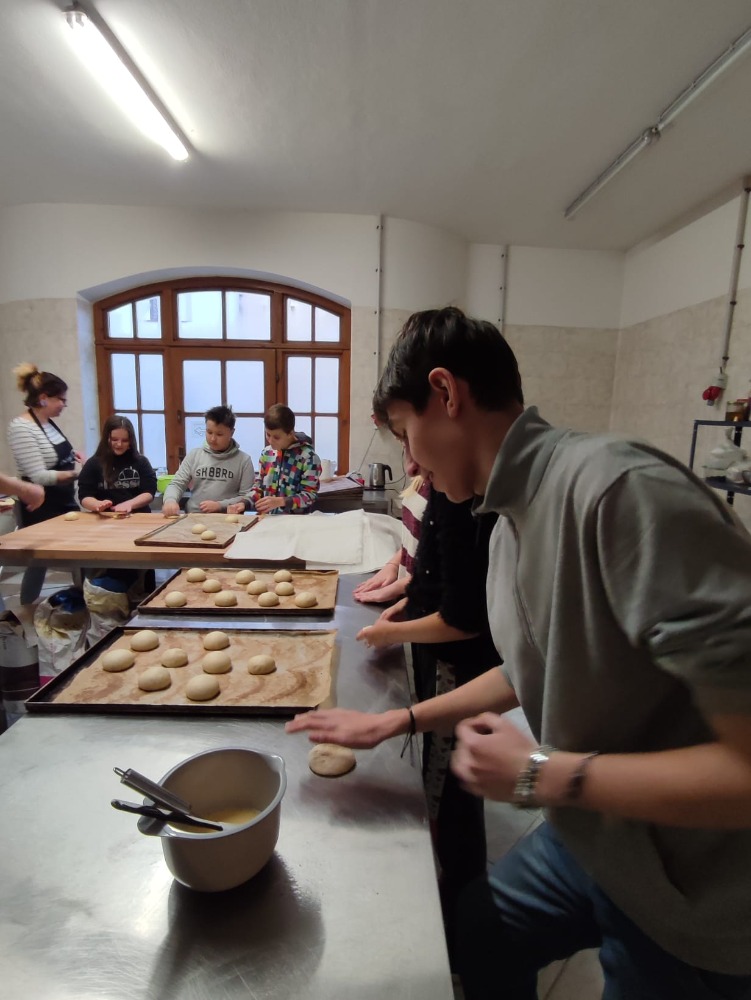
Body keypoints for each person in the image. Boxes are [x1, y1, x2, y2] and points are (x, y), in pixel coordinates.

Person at [287, 307, 751, 1000]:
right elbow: (531, 667)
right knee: (479, 934)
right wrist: (399, 720)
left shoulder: (620, 494)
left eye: (405, 434)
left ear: (446, 393)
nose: (409, 462)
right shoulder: (507, 524)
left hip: (692, 886)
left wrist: (539, 774)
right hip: (592, 837)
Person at [356, 459, 499, 963]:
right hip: (439, 652)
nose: (411, 459)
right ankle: (446, 905)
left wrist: (396, 628)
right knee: (442, 794)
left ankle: (460, 930)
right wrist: (406, 597)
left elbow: (464, 617)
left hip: (461, 666)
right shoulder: (439, 484)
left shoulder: (465, 496)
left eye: (407, 433)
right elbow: (428, 571)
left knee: (455, 801)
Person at [8, 363, 83, 604]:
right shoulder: (21, 427)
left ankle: (82, 599)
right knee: (38, 561)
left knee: (79, 554)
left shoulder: (48, 423)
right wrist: (76, 474)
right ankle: (26, 607)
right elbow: (38, 476)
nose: (64, 405)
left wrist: (74, 457)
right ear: (43, 398)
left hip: (63, 500)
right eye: (60, 399)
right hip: (40, 505)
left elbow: (55, 456)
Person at [161, 405, 254, 517]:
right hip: (194, 515)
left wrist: (220, 505)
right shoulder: (194, 455)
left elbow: (247, 496)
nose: (213, 439)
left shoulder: (244, 460)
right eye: (209, 432)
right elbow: (177, 484)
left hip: (227, 517)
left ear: (231, 432)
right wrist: (170, 500)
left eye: (219, 434)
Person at [352, 474, 430, 605]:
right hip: (411, 591)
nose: (410, 469)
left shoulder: (450, 490)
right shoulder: (421, 478)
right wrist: (393, 565)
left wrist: (399, 586)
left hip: (427, 598)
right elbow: (417, 537)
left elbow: (447, 568)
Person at [235, 404, 321, 515]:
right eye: (268, 435)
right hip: (266, 518)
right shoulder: (267, 453)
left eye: (276, 437)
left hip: (295, 521)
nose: (270, 441)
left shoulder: (308, 457)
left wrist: (281, 501)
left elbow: (310, 495)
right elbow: (258, 487)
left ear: (290, 433)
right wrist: (244, 503)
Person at [78, 415, 157, 515]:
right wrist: (97, 504)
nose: (119, 444)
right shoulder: (93, 464)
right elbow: (84, 496)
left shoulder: (141, 462)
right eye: (114, 439)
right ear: (106, 438)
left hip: (137, 516)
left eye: (125, 440)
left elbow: (149, 492)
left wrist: (129, 504)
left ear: (131, 441)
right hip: (105, 518)